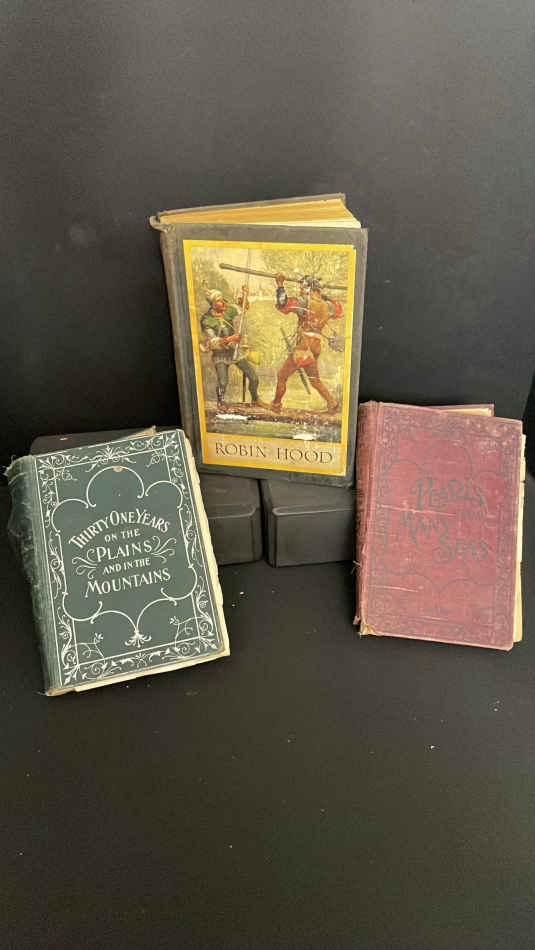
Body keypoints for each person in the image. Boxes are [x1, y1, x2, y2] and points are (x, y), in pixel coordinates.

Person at [271, 273, 343, 412]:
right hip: (315, 347)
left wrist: (280, 284)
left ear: (309, 288)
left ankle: (276, 405)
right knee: (314, 380)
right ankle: (332, 403)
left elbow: (283, 303)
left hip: (304, 348)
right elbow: (338, 310)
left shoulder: (304, 302)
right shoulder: (328, 305)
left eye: (302, 288)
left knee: (281, 376)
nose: (300, 291)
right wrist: (322, 294)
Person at [200, 283, 268, 409]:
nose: (223, 303)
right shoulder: (206, 320)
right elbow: (214, 342)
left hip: (234, 351)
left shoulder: (228, 310)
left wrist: (244, 294)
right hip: (220, 354)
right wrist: (231, 338)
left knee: (254, 378)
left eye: (222, 300)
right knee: (222, 382)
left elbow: (243, 306)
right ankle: (221, 402)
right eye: (219, 301)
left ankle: (255, 399)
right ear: (213, 304)